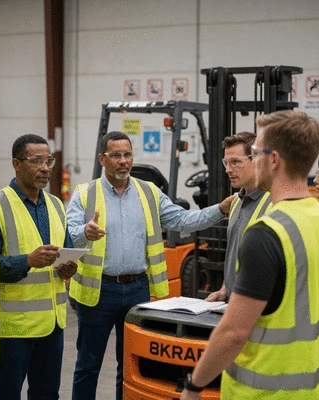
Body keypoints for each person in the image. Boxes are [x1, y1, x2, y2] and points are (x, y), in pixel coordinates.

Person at [66, 130, 235, 400]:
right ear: (102, 159)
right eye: (116, 155)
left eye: (128, 154)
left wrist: (220, 209)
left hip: (137, 291)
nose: (123, 161)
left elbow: (183, 220)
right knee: (88, 365)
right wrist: (84, 232)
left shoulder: (149, 193)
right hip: (98, 292)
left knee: (131, 365)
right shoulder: (85, 194)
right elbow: (68, 232)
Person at [181, 110, 319, 399]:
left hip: (269, 389)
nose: (252, 160)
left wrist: (194, 386)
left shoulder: (267, 232)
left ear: (274, 159)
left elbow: (234, 333)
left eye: (254, 152)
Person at [0, 134, 77, 400]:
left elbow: (64, 251)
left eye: (49, 161)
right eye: (37, 161)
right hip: (15, 327)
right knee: (7, 394)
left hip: (53, 324)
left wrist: (68, 268)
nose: (46, 168)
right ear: (16, 164)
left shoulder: (56, 205)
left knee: (47, 394)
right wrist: (28, 261)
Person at [206, 132, 271, 302]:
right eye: (226, 163)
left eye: (236, 162)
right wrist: (225, 288)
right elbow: (236, 254)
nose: (228, 169)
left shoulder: (274, 204)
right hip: (235, 301)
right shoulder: (235, 203)